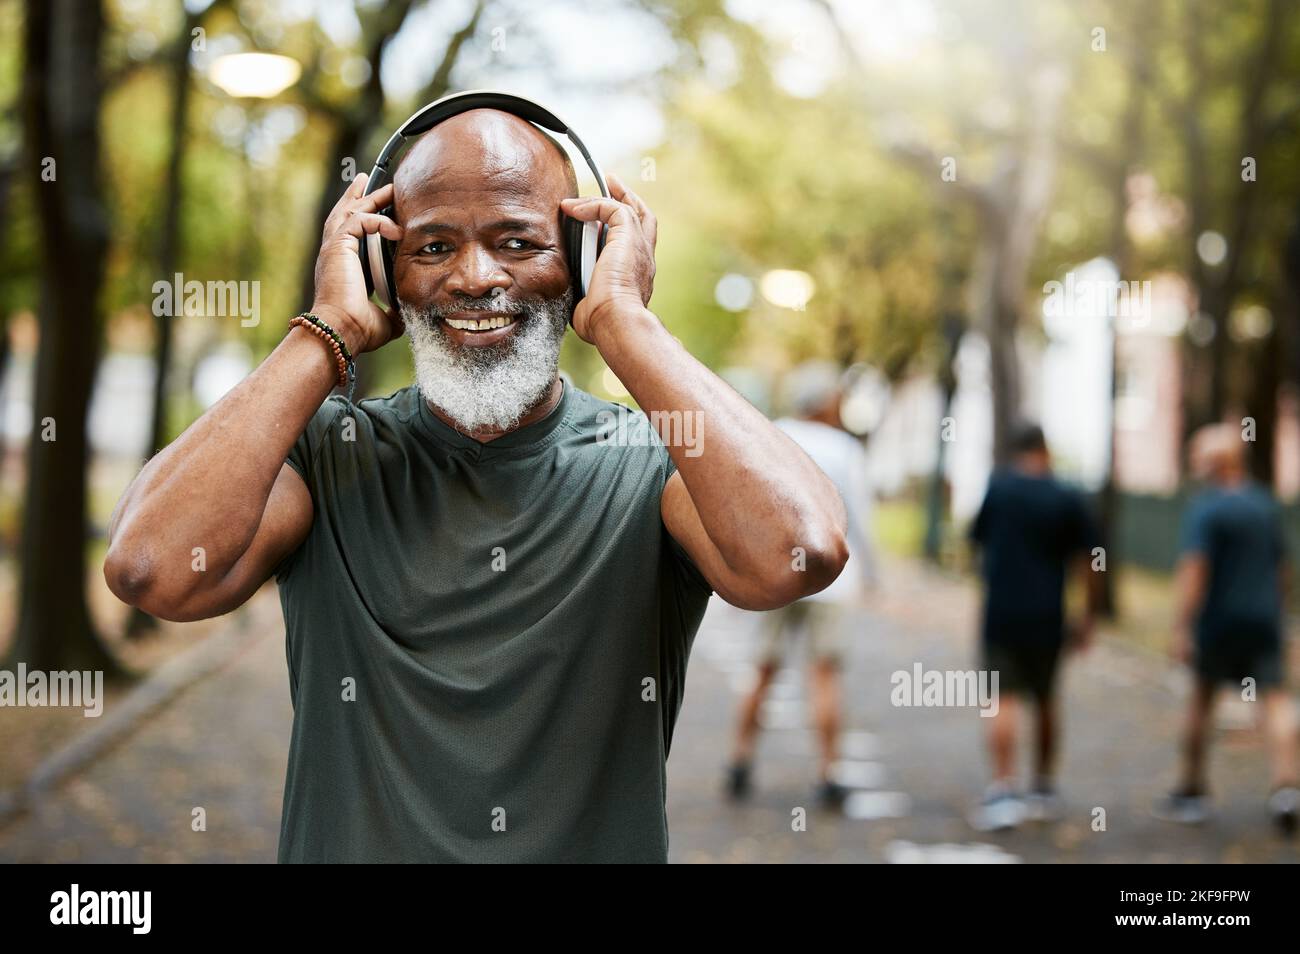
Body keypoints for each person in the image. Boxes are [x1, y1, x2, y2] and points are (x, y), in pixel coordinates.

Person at [102, 97, 849, 863]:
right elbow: (151, 568)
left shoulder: (658, 462)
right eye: (431, 247)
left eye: (516, 240)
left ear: (583, 258)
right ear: (381, 271)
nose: (474, 276)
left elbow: (802, 550)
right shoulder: (326, 454)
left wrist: (624, 319)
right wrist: (329, 329)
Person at [725, 362, 879, 808]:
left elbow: (748, 504)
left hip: (775, 575)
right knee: (825, 675)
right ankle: (829, 772)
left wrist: (740, 569)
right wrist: (872, 575)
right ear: (827, 402)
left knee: (763, 669)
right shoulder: (845, 448)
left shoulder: (768, 433)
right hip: (830, 578)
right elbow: (861, 520)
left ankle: (740, 760)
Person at [1155, 423, 1299, 835]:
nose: (1195, 466)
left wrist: (1181, 626)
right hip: (1262, 619)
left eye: (1200, 457)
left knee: (1201, 700)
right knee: (1274, 700)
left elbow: (1194, 569)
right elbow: (1282, 568)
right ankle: (1286, 787)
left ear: (1216, 464)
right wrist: (1279, 614)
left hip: (1218, 623)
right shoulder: (1264, 505)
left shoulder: (1206, 508)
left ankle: (1192, 790)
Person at [968, 421, 1099, 831]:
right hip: (1048, 614)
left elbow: (977, 542)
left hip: (1002, 612)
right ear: (1046, 450)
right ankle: (1042, 786)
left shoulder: (999, 489)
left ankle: (1004, 786)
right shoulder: (1066, 496)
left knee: (1002, 698)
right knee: (1045, 698)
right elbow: (1090, 558)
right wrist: (1087, 613)